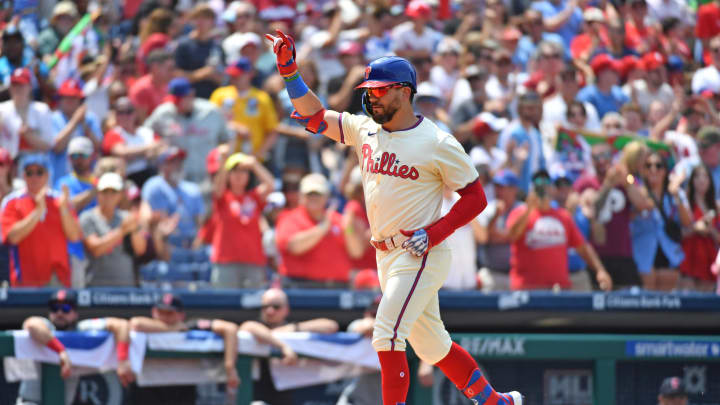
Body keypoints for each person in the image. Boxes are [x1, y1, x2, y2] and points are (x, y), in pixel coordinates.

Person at [266, 30, 522, 404]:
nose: (371, 96)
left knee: (385, 333)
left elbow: (476, 197)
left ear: (405, 91)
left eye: (380, 89)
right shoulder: (365, 129)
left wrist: (436, 232)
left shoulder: (437, 141)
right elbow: (316, 116)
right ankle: (495, 402)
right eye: (369, 90)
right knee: (434, 347)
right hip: (386, 254)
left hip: (419, 252)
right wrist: (290, 72)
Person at [17, 290, 135, 405]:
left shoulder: (81, 329)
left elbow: (122, 325)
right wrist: (61, 351)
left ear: (75, 313)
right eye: (54, 308)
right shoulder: (46, 326)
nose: (59, 313)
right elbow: (32, 325)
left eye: (66, 308)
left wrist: (123, 360)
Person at [507, 170, 613, 291]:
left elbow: (582, 247)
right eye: (539, 187)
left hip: (558, 289)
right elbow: (512, 236)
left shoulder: (563, 216)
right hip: (527, 289)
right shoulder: (519, 213)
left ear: (552, 189)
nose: (543, 190)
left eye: (546, 185)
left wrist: (600, 270)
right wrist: (529, 207)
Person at [128, 293, 240, 405]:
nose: (165, 316)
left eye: (170, 312)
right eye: (161, 312)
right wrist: (172, 328)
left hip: (182, 388)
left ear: (181, 315)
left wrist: (229, 368)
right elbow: (135, 323)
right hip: (149, 389)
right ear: (153, 312)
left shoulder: (190, 326)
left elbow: (230, 328)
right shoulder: (145, 326)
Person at [1, 154, 81, 287]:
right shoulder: (12, 201)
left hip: (57, 279)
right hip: (24, 280)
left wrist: (64, 210)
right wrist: (38, 211)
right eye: (29, 172)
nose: (34, 177)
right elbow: (12, 237)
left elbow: (74, 236)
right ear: (23, 176)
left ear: (48, 175)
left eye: (39, 172)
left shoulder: (59, 199)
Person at [275, 173, 363, 288]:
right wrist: (323, 228)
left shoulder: (337, 219)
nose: (314, 197)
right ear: (301, 196)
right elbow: (294, 246)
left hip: (338, 287)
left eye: (318, 194)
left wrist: (348, 228)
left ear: (326, 197)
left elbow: (356, 252)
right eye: (310, 194)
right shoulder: (289, 217)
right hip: (300, 286)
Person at [253, 288, 338, 405]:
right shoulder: (254, 327)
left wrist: (294, 328)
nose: (270, 310)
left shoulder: (292, 329)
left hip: (288, 397)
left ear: (286, 309)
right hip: (257, 396)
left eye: (276, 306)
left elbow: (331, 326)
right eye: (265, 306)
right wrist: (284, 347)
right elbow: (249, 327)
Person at [144, 77, 230, 184]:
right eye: (174, 101)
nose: (175, 105)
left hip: (208, 177)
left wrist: (222, 156)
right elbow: (145, 133)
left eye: (179, 101)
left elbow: (226, 139)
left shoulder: (211, 112)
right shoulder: (163, 113)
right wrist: (157, 144)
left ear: (191, 95)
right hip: (177, 180)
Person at [209, 152, 274, 288]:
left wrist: (254, 165)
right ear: (228, 174)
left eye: (243, 171)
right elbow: (218, 188)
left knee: (253, 305)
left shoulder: (254, 196)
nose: (239, 175)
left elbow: (270, 185)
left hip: (253, 261)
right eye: (234, 171)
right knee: (224, 305)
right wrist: (224, 164)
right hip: (226, 262)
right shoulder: (223, 197)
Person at [634, 150, 692, 291]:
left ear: (665, 170)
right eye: (648, 166)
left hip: (669, 250)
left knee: (665, 301)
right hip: (643, 251)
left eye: (658, 166)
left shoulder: (674, 193)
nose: (653, 170)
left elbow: (687, 222)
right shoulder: (638, 192)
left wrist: (676, 193)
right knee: (647, 300)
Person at [81, 172, 147, 286]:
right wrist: (122, 231)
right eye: (105, 191)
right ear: (98, 194)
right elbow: (96, 249)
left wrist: (134, 230)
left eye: (114, 192)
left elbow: (140, 250)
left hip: (126, 287)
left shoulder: (126, 217)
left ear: (120, 195)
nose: (109, 196)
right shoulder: (87, 217)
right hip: (96, 288)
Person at [209, 58, 279, 160]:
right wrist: (232, 126)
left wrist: (258, 154)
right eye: (232, 75)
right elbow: (210, 122)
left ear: (250, 74)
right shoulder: (219, 94)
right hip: (223, 158)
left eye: (238, 75)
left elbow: (272, 131)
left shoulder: (262, 98)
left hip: (251, 160)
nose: (234, 78)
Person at [141, 147, 205, 245]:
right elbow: (152, 220)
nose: (177, 165)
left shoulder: (193, 189)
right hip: (167, 243)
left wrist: (197, 243)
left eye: (179, 161)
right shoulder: (154, 185)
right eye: (172, 161)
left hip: (193, 242)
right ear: (161, 165)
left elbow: (200, 223)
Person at [49, 79, 102, 186]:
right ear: (60, 99)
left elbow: (98, 146)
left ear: (80, 100)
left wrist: (84, 124)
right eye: (66, 97)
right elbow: (57, 146)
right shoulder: (53, 118)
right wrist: (75, 121)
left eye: (73, 97)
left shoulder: (90, 118)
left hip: (88, 179)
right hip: (61, 178)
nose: (70, 101)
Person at [476, 170, 523, 291]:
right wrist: (496, 216)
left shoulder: (522, 209)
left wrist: (508, 236)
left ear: (514, 189)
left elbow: (518, 237)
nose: (498, 191)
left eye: (502, 187)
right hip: (492, 273)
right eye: (496, 186)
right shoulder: (487, 207)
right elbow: (486, 238)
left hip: (518, 275)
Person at [102, 97, 163, 188]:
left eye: (129, 112)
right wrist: (148, 149)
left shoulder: (146, 132)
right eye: (121, 112)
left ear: (135, 113)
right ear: (116, 115)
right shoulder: (114, 133)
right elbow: (123, 153)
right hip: (129, 179)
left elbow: (162, 146)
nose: (125, 116)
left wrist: (136, 153)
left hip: (152, 173)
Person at [679, 164, 720, 292]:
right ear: (692, 181)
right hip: (688, 255)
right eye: (697, 176)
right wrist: (696, 228)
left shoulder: (716, 207)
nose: (701, 180)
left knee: (705, 302)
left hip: (708, 257)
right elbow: (677, 233)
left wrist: (711, 230)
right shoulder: (685, 203)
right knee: (688, 299)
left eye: (705, 176)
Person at [174, 4, 225, 99]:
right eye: (198, 18)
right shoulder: (184, 45)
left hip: (213, 99)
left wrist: (216, 77)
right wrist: (202, 74)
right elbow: (176, 74)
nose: (202, 22)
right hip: (190, 99)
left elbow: (224, 77)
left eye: (206, 18)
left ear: (212, 22)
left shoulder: (217, 46)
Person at [0, 68, 53, 157]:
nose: (17, 88)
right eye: (14, 84)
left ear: (30, 86)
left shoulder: (42, 110)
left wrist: (28, 136)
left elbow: (48, 145)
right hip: (8, 165)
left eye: (21, 85)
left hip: (35, 164)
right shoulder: (1, 109)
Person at [128, 49, 175, 121]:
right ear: (155, 68)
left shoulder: (167, 85)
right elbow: (142, 123)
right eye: (169, 69)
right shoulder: (142, 89)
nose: (173, 72)